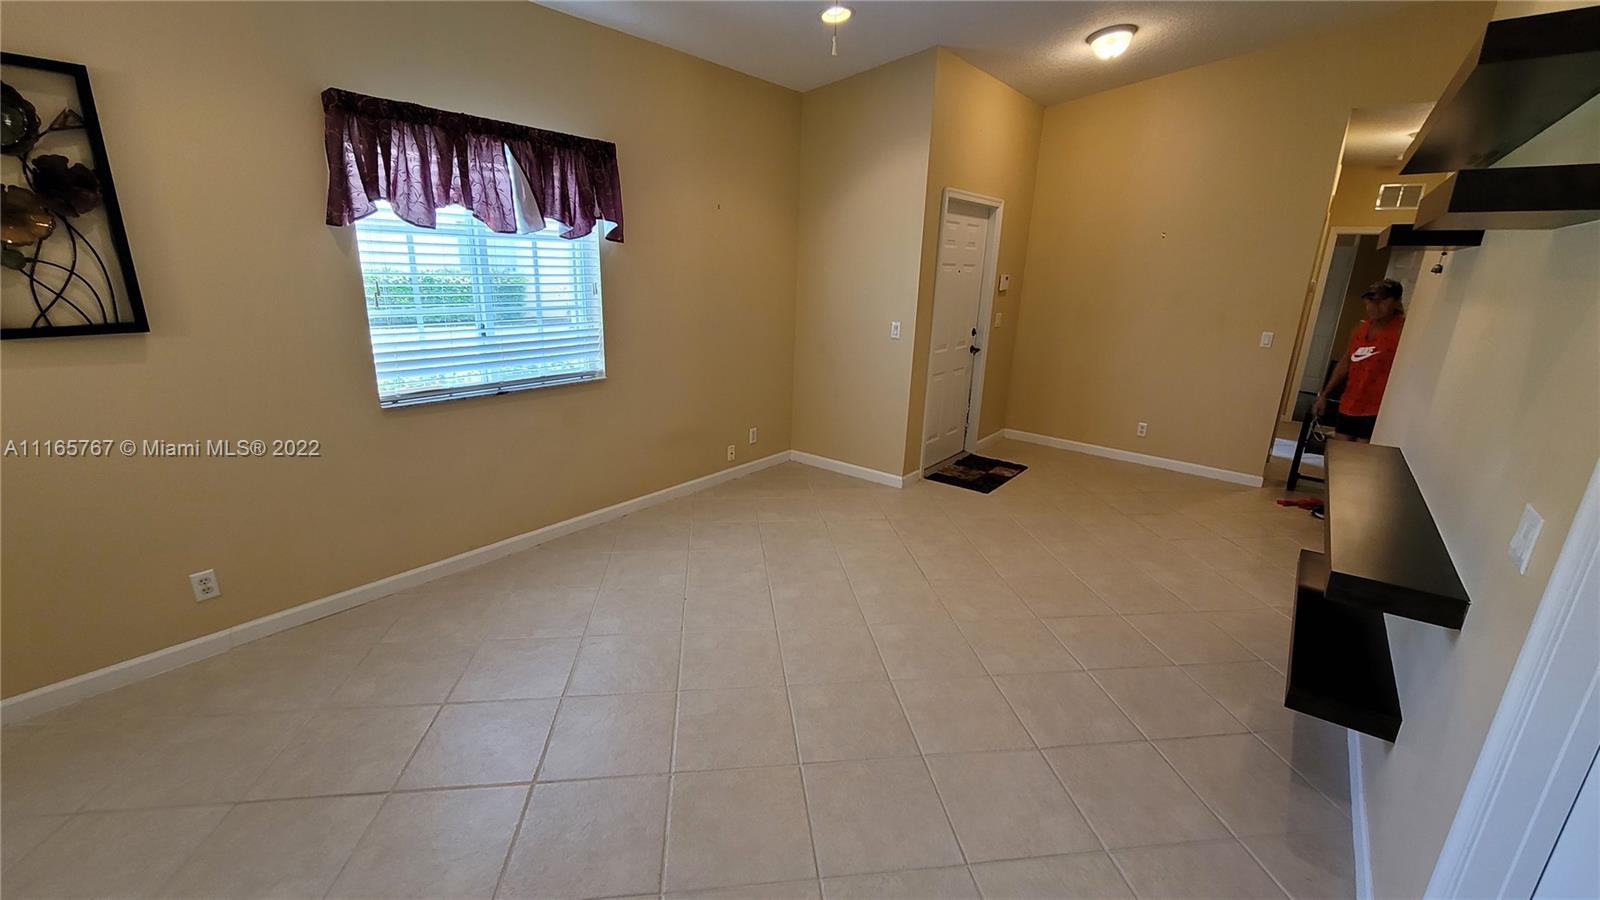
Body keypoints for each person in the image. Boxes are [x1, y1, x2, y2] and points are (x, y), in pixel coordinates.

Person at [1312, 278, 1406, 442]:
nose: (1374, 306)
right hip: (1349, 404)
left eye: (1382, 300)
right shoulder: (1360, 329)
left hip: (1376, 409)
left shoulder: (1402, 329)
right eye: (1370, 300)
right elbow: (1345, 362)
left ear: (1396, 302)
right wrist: (1324, 395)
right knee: (1340, 456)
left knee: (1360, 459)